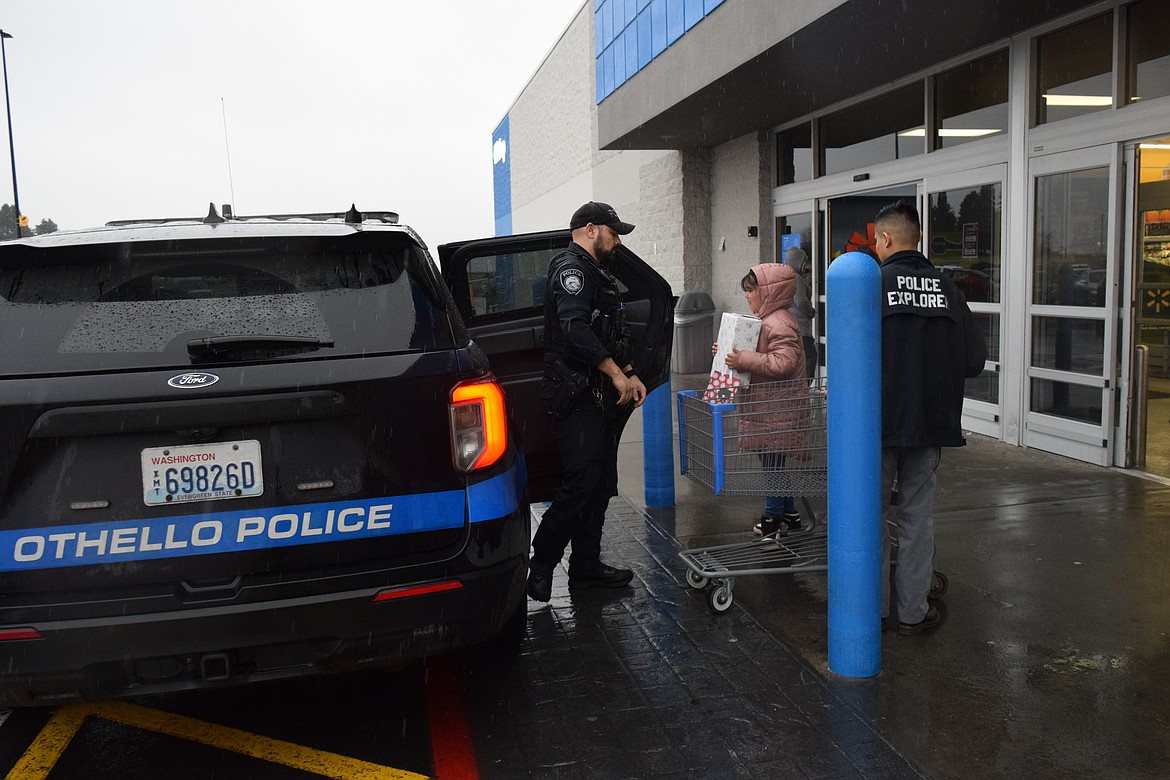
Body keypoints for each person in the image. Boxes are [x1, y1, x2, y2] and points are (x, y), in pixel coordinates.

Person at [873, 200, 986, 635]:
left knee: (873, 516)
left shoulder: (872, 285)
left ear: (885, 239)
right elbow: (975, 359)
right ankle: (913, 613)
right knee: (917, 519)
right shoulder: (947, 289)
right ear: (916, 238)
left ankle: (875, 611)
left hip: (879, 424)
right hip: (931, 423)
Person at [526, 201, 647, 602]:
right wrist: (615, 374)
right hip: (576, 393)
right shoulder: (572, 270)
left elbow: (608, 331)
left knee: (599, 485)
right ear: (591, 229)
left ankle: (586, 566)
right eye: (614, 233)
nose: (617, 241)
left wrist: (628, 372)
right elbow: (575, 330)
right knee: (581, 483)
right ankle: (542, 564)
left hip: (599, 396)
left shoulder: (598, 273)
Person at [715, 262, 807, 537]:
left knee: (772, 465)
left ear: (767, 292)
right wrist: (727, 353)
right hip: (769, 409)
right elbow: (759, 353)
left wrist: (742, 359)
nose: (747, 295)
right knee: (773, 462)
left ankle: (772, 516)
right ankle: (789, 513)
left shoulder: (780, 323)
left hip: (777, 410)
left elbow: (783, 364)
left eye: (751, 290)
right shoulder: (769, 322)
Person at [783, 246, 818, 379]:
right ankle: (804, 389)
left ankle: (797, 388)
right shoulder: (796, 277)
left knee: (797, 361)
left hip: (789, 325)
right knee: (810, 357)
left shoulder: (784, 277)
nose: (806, 267)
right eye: (804, 262)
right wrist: (811, 312)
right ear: (798, 262)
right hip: (801, 328)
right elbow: (801, 301)